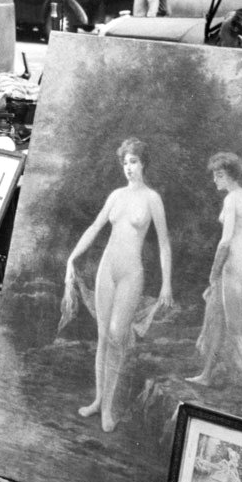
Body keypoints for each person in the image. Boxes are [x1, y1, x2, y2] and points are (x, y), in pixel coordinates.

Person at [64, 137, 173, 432]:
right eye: (125, 162)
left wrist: (166, 284)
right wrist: (72, 257)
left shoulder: (152, 199)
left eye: (134, 161)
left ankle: (109, 409)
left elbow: (163, 244)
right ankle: (99, 401)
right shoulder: (115, 196)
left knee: (116, 335)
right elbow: (95, 226)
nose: (128, 167)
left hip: (131, 273)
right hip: (107, 269)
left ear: (144, 163)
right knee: (102, 335)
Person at [187, 152, 242, 412]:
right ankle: (207, 374)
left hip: (232, 270)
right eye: (214, 175)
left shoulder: (232, 199)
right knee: (217, 319)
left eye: (218, 175)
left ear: (229, 175)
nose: (214, 180)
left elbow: (226, 241)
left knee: (236, 334)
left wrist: (214, 272)